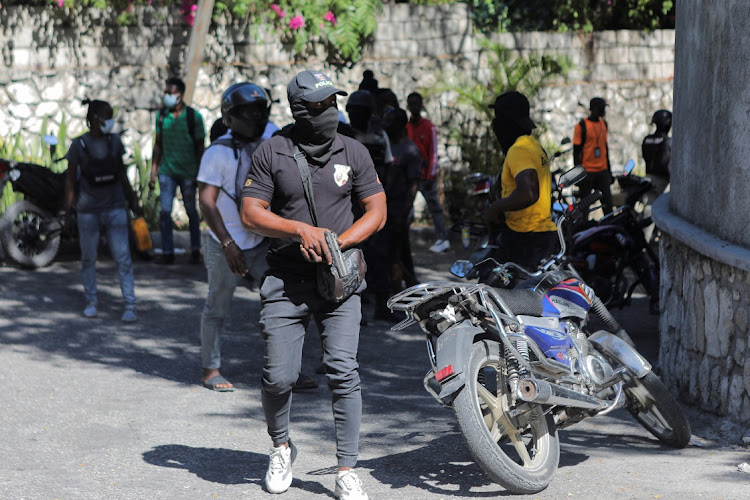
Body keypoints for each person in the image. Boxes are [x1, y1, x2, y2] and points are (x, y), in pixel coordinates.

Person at [241, 69, 386, 499]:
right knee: (278, 377)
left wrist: (335, 244)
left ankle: (346, 469)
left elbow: (376, 211)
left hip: (341, 281)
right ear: (300, 110)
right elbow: (252, 211)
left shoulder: (353, 150)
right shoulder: (274, 151)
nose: (331, 111)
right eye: (322, 105)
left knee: (343, 371)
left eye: (332, 103)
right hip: (286, 280)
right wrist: (297, 231)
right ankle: (281, 446)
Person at [196, 82, 271, 392]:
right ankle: (211, 369)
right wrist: (228, 244)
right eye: (247, 112)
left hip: (262, 240)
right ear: (231, 116)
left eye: (259, 110)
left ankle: (284, 371)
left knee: (280, 307)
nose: (255, 117)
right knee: (217, 306)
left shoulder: (270, 140)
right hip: (223, 243)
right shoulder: (218, 154)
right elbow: (207, 202)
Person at [63, 98, 142, 322]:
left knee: (123, 257)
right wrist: (68, 213)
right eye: (107, 116)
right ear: (95, 120)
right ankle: (91, 301)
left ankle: (130, 304)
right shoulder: (78, 145)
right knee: (88, 257)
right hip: (88, 211)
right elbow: (70, 181)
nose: (111, 121)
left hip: (115, 207)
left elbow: (122, 173)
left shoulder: (115, 142)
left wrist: (132, 200)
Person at [485, 91, 557, 271]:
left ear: (507, 122)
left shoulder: (519, 150)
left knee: (491, 292)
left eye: (497, 119)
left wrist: (496, 207)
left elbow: (528, 192)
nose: (494, 125)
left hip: (525, 239)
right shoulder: (533, 145)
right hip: (541, 235)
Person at [346, 89, 394, 320]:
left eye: (360, 111)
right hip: (350, 204)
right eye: (353, 111)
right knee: (354, 254)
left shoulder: (379, 135)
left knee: (380, 254)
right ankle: (358, 307)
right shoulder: (342, 134)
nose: (356, 115)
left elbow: (387, 167)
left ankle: (382, 306)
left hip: (374, 201)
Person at [148, 76, 206, 265]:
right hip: (167, 172)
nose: (166, 96)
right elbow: (158, 146)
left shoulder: (193, 117)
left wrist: (200, 173)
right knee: (165, 213)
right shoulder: (162, 116)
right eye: (166, 92)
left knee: (191, 211)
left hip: (189, 173)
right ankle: (167, 252)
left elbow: (200, 147)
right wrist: (153, 172)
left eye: (170, 93)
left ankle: (196, 250)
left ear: (179, 95)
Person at [406, 92, 450, 253]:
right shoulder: (406, 127)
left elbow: (433, 152)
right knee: (406, 209)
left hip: (425, 177)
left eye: (416, 103)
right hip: (410, 177)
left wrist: (431, 174)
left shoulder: (428, 127)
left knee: (435, 208)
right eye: (411, 103)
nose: (414, 107)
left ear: (421, 105)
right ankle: (404, 239)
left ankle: (443, 239)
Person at [383, 107, 421, 290]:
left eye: (389, 121)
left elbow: (413, 185)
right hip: (386, 209)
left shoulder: (410, 151)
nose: (385, 125)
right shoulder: (387, 146)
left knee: (398, 253)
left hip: (399, 211)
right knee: (395, 252)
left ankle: (401, 288)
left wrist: (404, 213)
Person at [573, 97, 613, 215]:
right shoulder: (581, 126)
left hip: (602, 172)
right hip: (587, 173)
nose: (604, 110)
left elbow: (605, 149)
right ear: (594, 109)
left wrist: (609, 171)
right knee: (584, 210)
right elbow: (576, 152)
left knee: (608, 207)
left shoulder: (603, 124)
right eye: (602, 107)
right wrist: (577, 176)